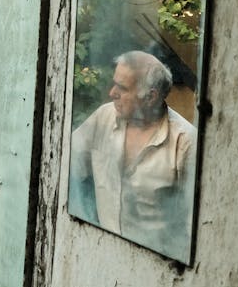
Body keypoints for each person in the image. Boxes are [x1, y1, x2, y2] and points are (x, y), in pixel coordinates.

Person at [69, 50, 196, 259]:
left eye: (122, 88)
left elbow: (195, 227)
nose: (112, 93)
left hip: (157, 267)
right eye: (114, 83)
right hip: (101, 254)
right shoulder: (104, 117)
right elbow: (65, 168)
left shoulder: (186, 143)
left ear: (151, 97)